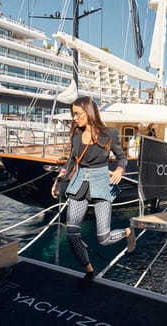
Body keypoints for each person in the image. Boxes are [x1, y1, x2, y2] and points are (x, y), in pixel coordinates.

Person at [50, 96, 135, 286]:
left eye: (77, 114)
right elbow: (71, 161)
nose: (74, 118)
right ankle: (89, 270)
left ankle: (128, 232)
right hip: (79, 184)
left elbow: (121, 157)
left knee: (103, 238)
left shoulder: (109, 134)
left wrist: (120, 169)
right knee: (72, 235)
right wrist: (58, 180)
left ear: (89, 112)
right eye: (73, 114)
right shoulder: (76, 135)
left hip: (101, 184)